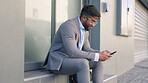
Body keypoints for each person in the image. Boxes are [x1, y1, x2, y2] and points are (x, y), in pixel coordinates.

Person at [44, 5, 113, 83]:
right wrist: (97, 56)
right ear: (84, 18)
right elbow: (72, 52)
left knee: (98, 62)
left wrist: (100, 53)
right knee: (83, 63)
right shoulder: (69, 26)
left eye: (95, 22)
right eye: (92, 21)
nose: (93, 25)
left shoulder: (85, 29)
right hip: (59, 62)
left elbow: (87, 49)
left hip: (72, 60)